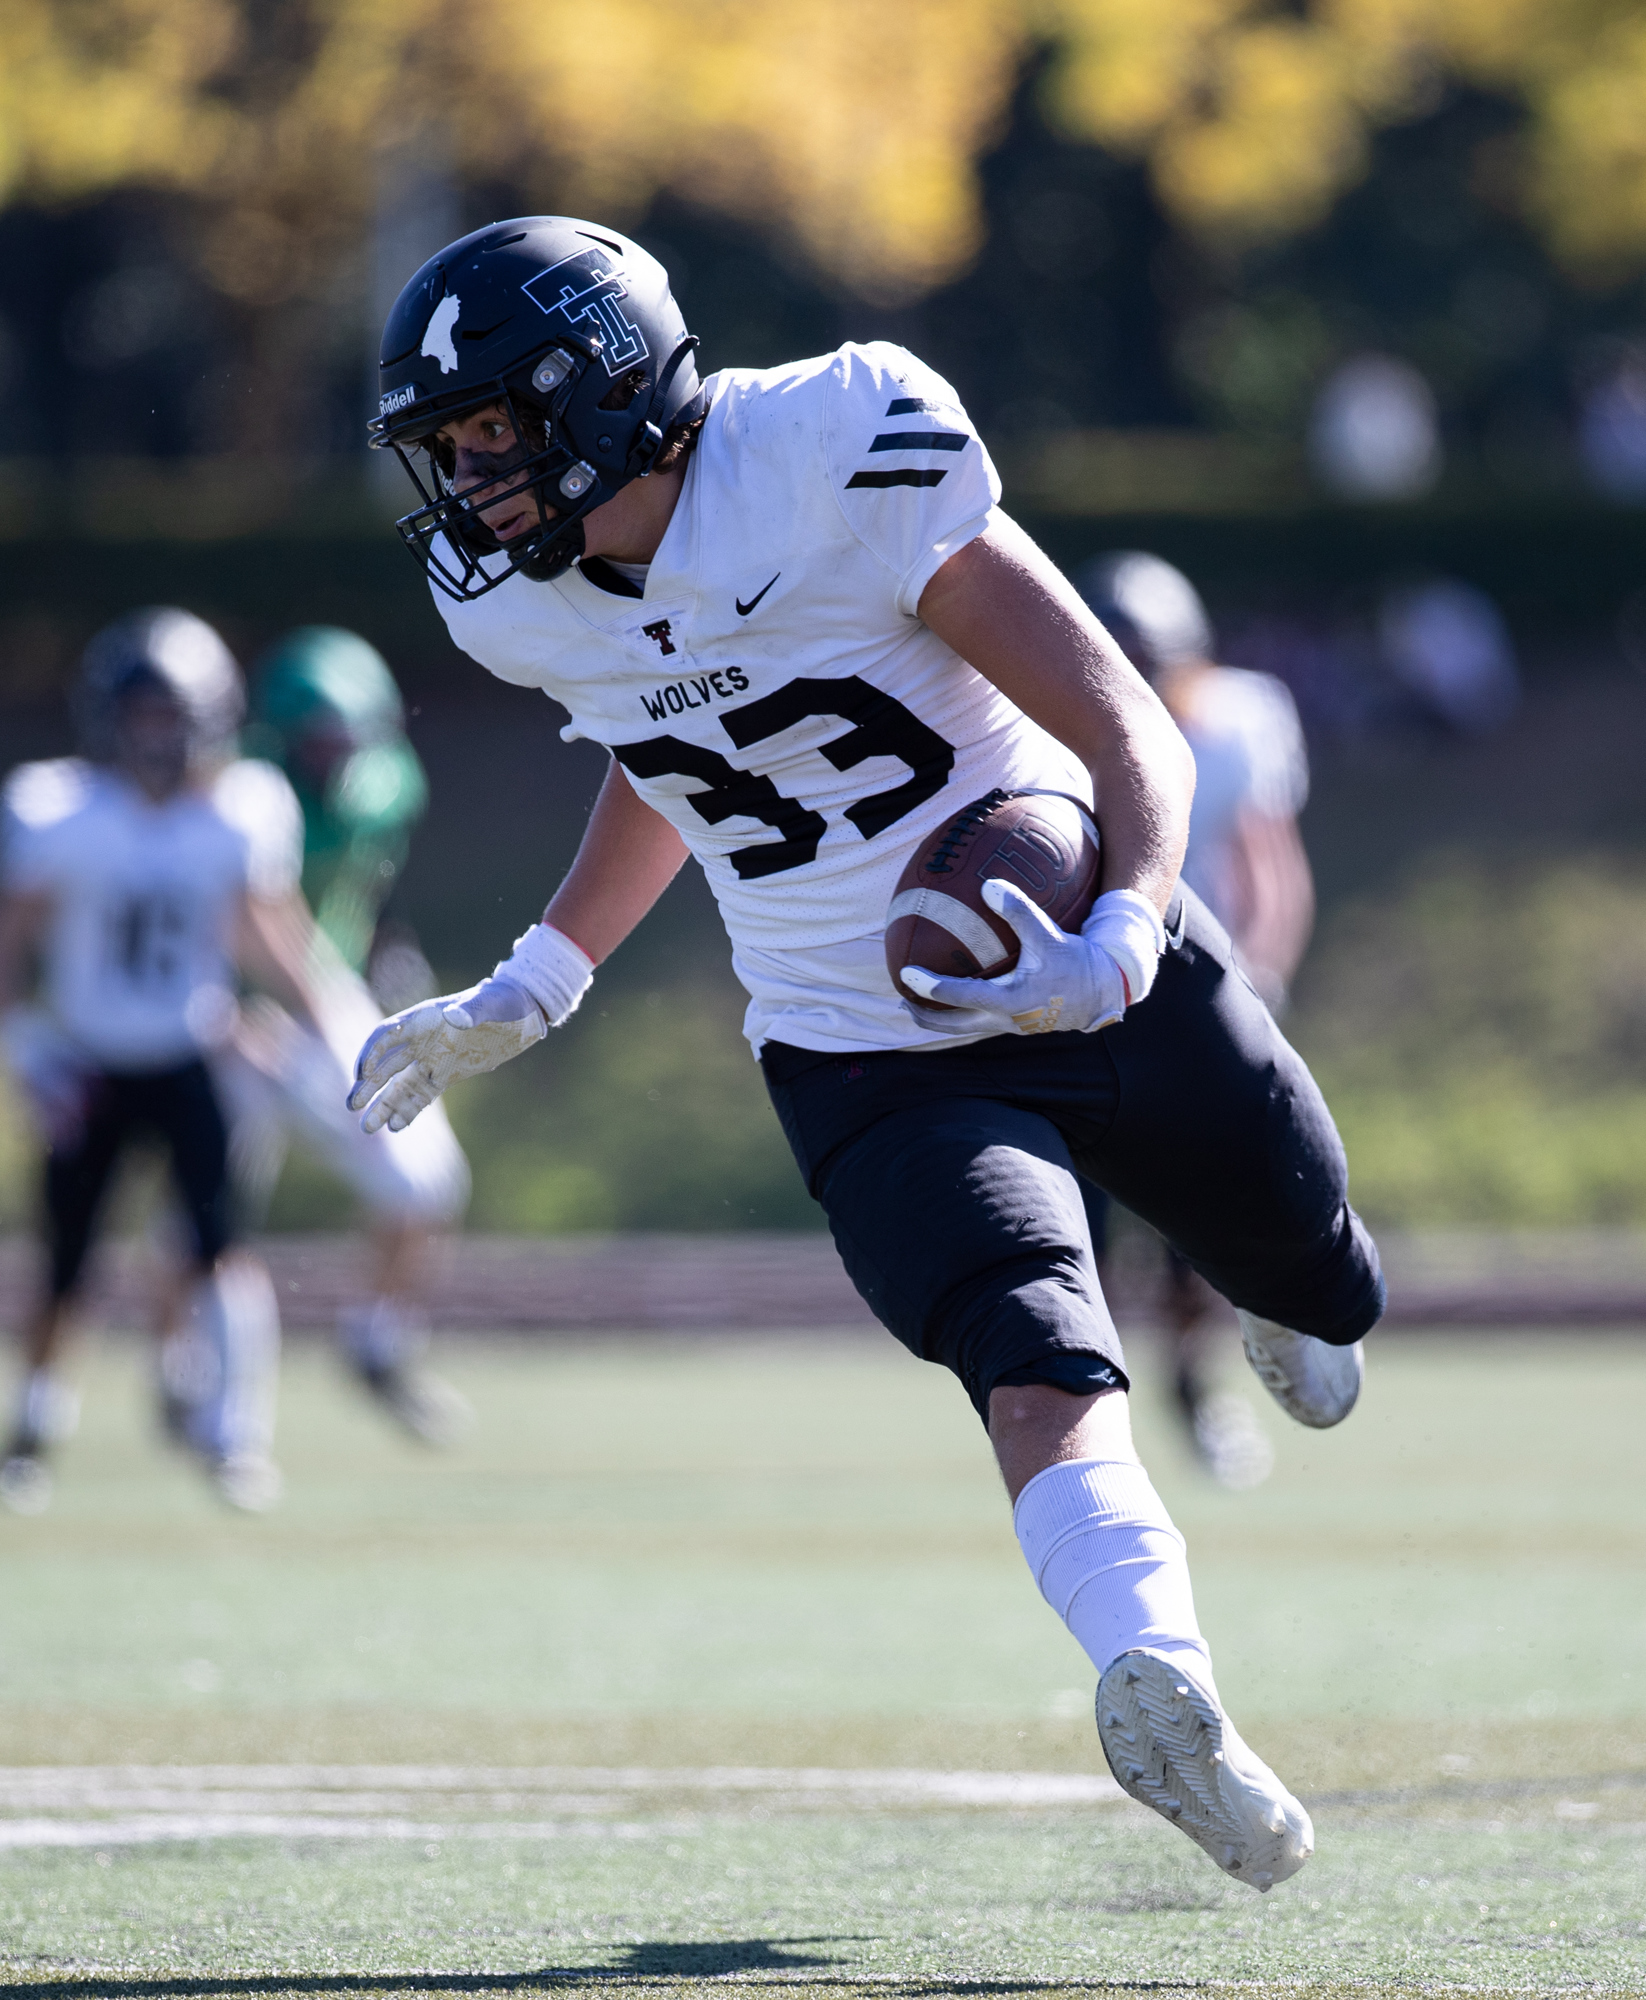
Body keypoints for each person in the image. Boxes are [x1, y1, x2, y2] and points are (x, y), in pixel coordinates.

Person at [348, 217, 1384, 1892]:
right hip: (856, 1043)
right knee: (1030, 1347)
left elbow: (1123, 712)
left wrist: (1124, 929)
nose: (466, 481)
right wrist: (542, 974)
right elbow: (664, 741)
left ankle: (1268, 1278)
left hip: (1055, 926)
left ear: (600, 396)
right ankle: (1162, 1675)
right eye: (448, 447)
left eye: (483, 433)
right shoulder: (524, 605)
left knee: (1331, 1286)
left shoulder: (838, 441)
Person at [0, 610, 318, 1513]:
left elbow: (271, 931)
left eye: (170, 716)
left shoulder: (240, 810)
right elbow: (10, 938)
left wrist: (321, 1020)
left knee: (223, 1248)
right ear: (106, 717)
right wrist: (24, 1043)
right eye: (140, 716)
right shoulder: (58, 809)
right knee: (67, 1262)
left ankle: (236, 1436)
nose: (156, 736)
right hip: (90, 1063)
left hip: (189, 1053)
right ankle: (33, 1428)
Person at [1075, 552, 1315, 1488]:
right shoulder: (1049, 722)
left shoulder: (1236, 723)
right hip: (1074, 999)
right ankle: (1087, 1426)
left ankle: (1195, 1387)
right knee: (1076, 1237)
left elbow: (1269, 863)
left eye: (1153, 661)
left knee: (1201, 1233)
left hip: (1192, 994)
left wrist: (1260, 980)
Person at [225, 626, 471, 1442]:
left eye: (345, 739)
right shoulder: (237, 798)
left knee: (427, 1182)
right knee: (204, 1217)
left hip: (330, 1001)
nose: (332, 758)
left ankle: (377, 1344)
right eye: (315, 741)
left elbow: (365, 894)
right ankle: (181, 1373)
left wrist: (387, 951)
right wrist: (223, 1013)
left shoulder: (389, 783)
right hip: (230, 1013)